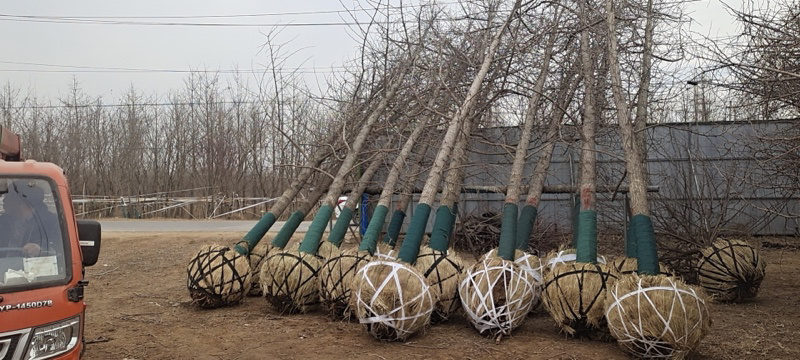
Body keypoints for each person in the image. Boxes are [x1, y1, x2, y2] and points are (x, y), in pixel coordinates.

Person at [0, 181, 60, 257]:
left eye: (7, 196)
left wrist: (40, 248)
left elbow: (59, 248)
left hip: (33, 267)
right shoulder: (3, 221)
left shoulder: (52, 222)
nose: (3, 201)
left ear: (21, 199)